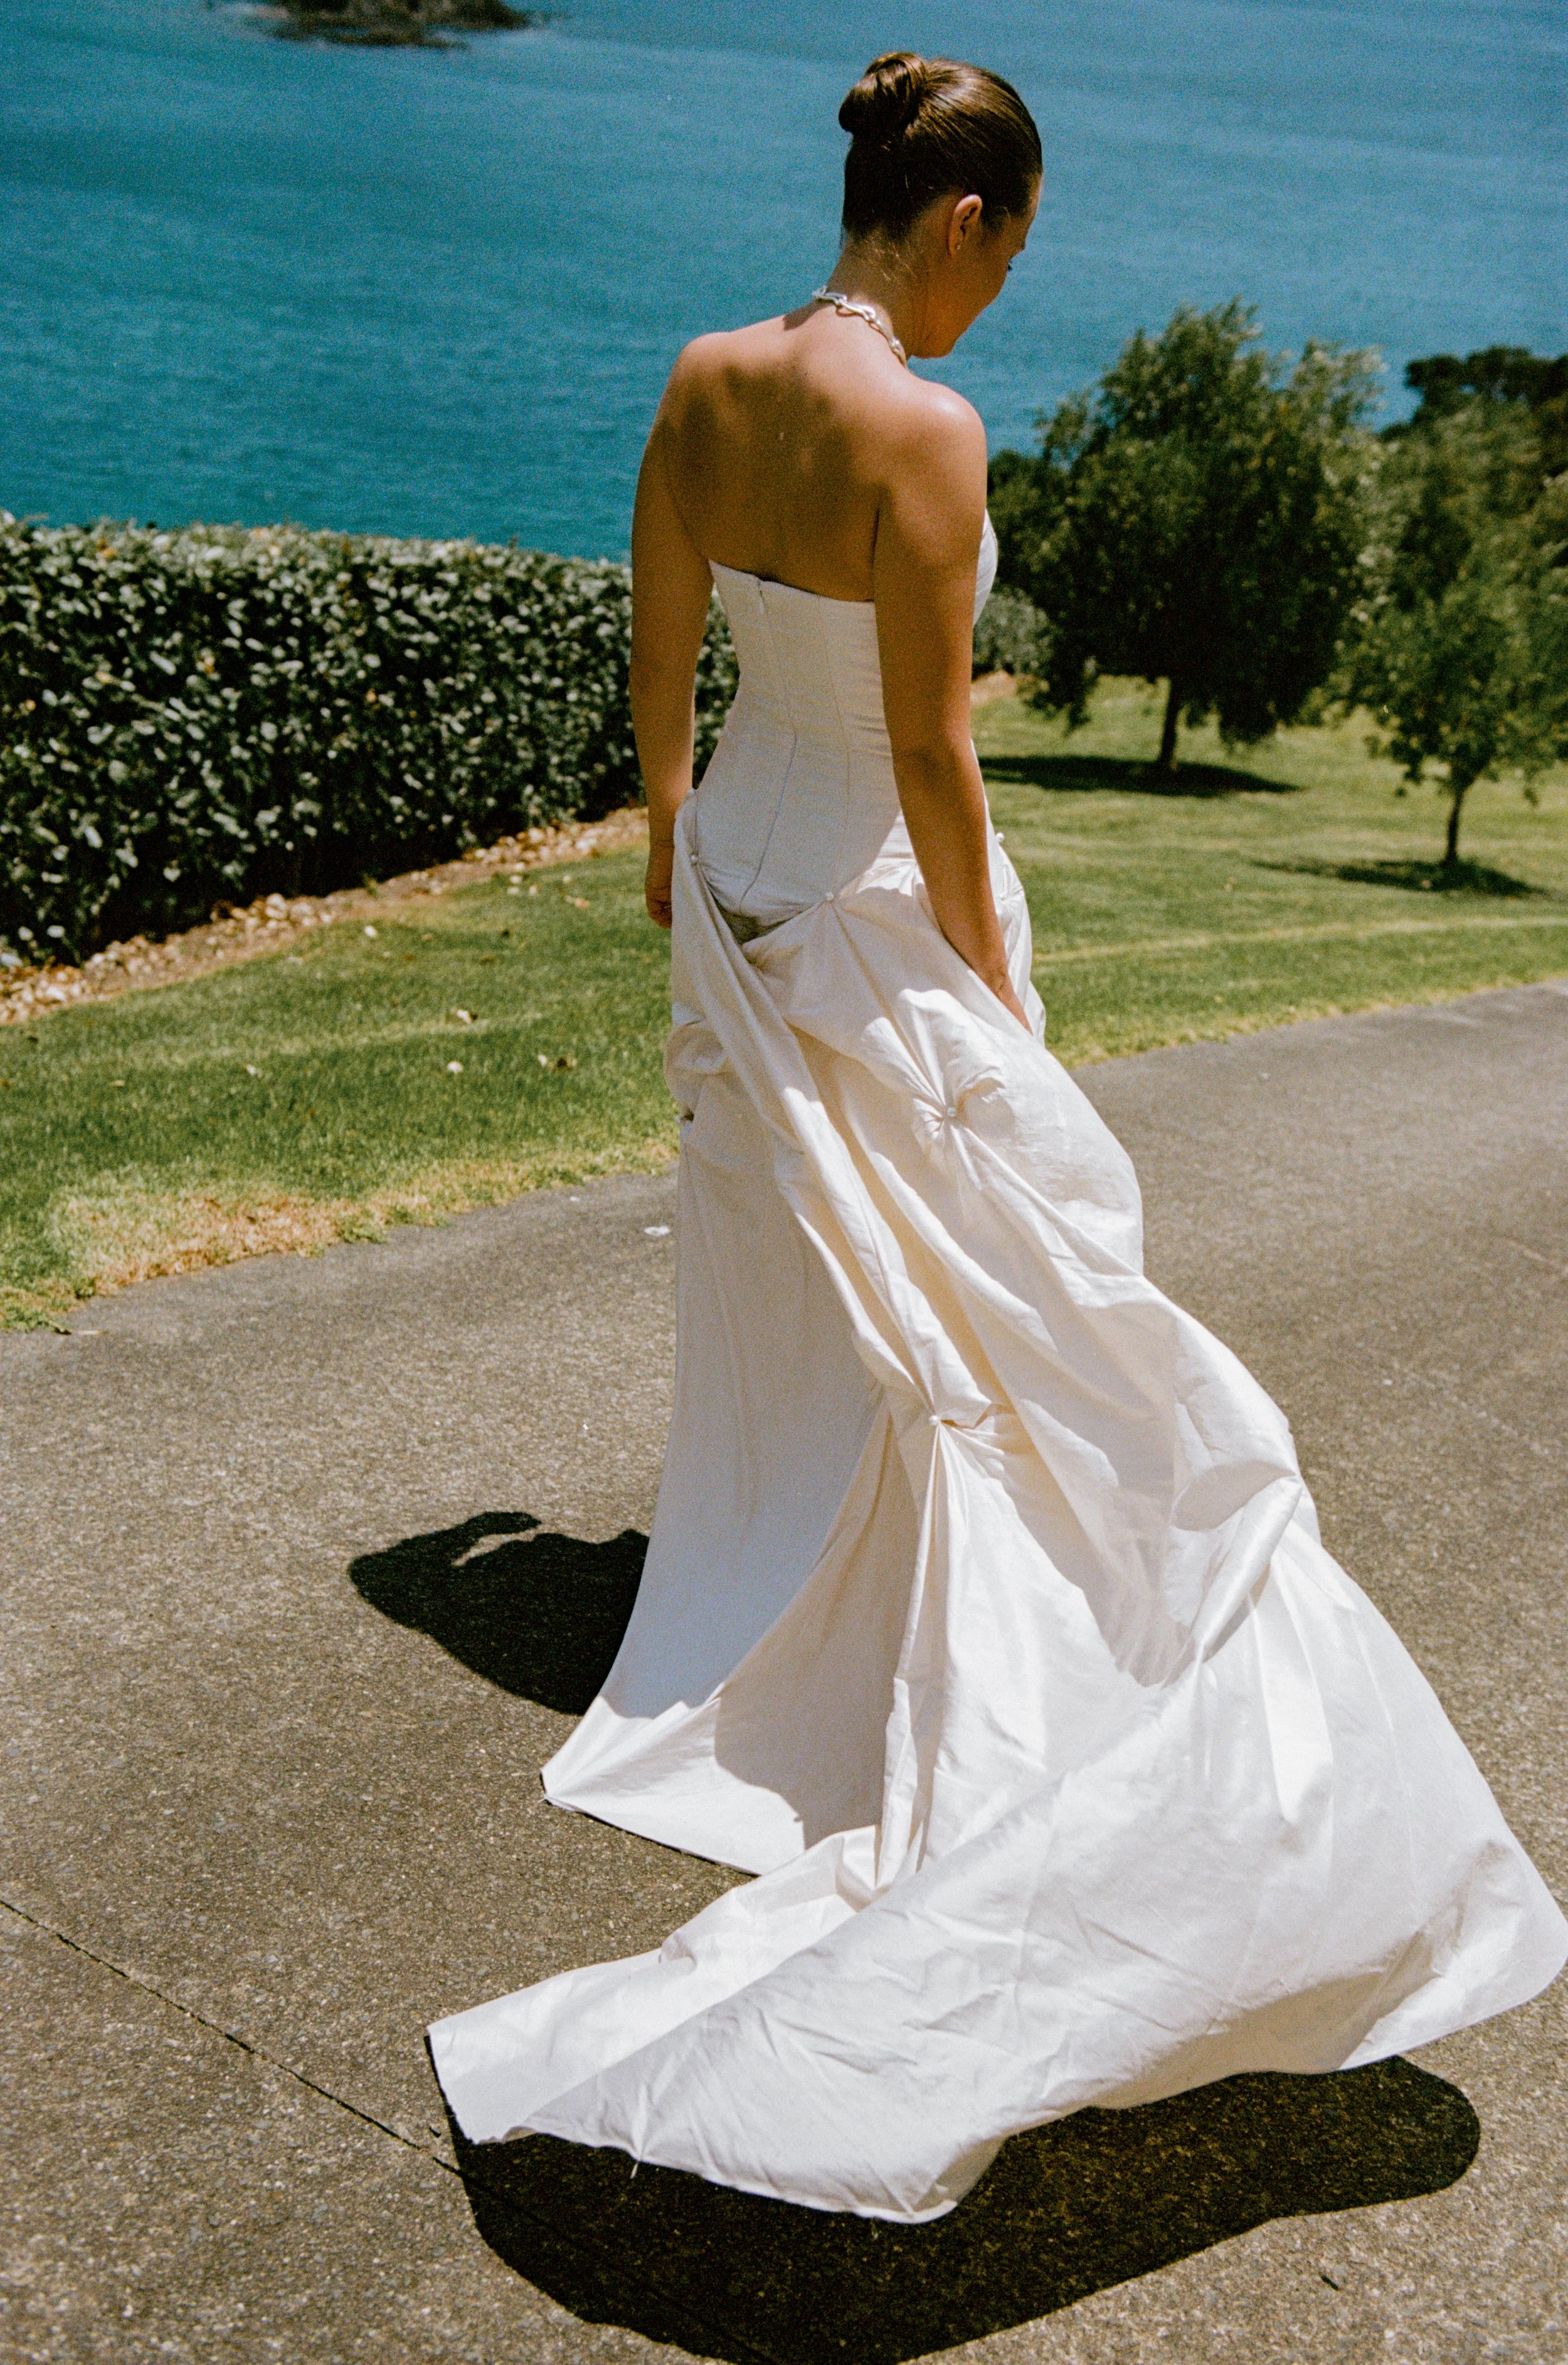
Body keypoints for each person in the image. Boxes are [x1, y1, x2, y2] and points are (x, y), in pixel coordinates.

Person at [430, 52, 1565, 2224]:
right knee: (1001, 1325)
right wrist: (994, 985)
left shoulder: (699, 377)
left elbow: (661, 634)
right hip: (868, 906)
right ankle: (904, 1659)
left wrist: (669, 836)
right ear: (961, 217)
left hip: (735, 898)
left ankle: (757, 1609)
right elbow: (941, 758)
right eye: (1012, 254)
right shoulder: (924, 432)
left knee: (780, 1288)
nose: (994, 303)